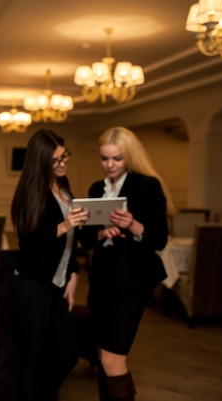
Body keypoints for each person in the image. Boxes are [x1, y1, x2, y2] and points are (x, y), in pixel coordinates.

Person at [80, 126, 172, 401]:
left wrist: (132, 224)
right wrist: (100, 232)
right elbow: (85, 236)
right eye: (104, 158)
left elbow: (159, 239)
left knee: (112, 359)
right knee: (101, 354)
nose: (109, 165)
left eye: (116, 158)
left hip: (132, 281)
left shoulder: (147, 186)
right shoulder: (97, 188)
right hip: (101, 278)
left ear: (129, 157)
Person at [10, 129, 89, 400]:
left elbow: (71, 243)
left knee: (67, 355)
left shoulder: (64, 188)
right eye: (56, 160)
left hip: (58, 283)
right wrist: (65, 224)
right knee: (30, 358)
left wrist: (75, 273)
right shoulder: (29, 193)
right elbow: (29, 243)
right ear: (41, 162)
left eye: (64, 156)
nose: (63, 163)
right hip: (33, 283)